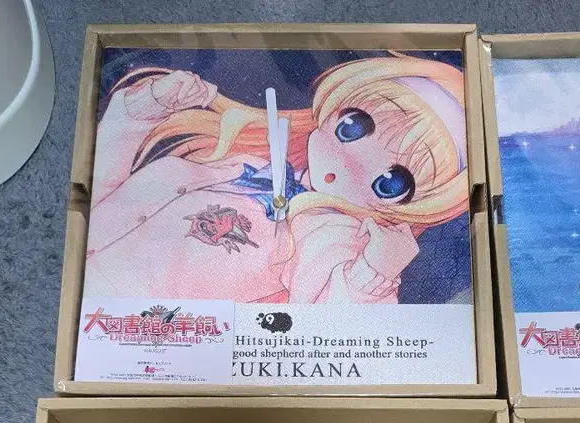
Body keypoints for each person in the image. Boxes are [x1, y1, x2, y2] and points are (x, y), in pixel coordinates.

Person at [83, 54, 469, 304]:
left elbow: (337, 332)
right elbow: (98, 200)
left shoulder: (331, 234)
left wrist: (372, 275)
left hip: (132, 345)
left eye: (391, 182)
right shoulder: (244, 161)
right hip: (74, 302)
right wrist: (137, 115)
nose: (351, 162)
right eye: (353, 126)